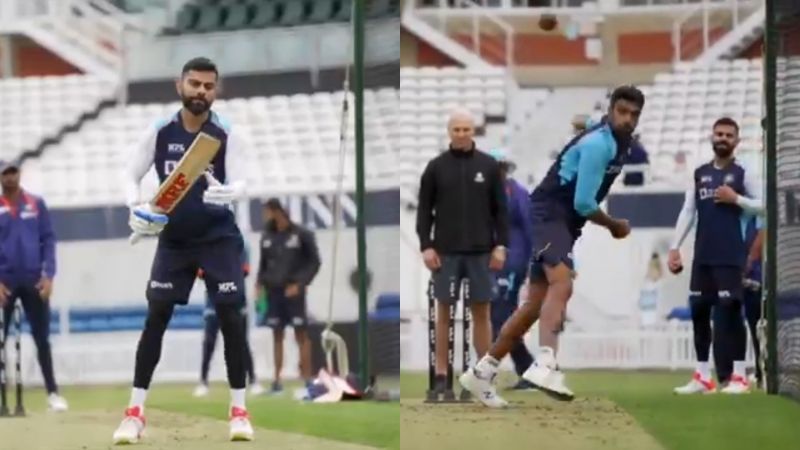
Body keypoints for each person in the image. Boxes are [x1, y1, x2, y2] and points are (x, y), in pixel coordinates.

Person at [461, 85, 645, 406]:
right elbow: (585, 203)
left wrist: (580, 124)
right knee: (563, 281)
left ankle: (481, 373)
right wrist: (615, 225)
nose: (628, 119)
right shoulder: (600, 145)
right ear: (611, 109)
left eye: (634, 114)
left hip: (563, 221)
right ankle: (545, 364)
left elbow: (586, 129)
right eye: (622, 112)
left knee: (534, 303)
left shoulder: (619, 141)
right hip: (549, 214)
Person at [113, 57, 254, 444]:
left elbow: (244, 179)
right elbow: (129, 172)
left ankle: (239, 412)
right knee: (156, 316)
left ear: (216, 91)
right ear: (180, 85)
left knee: (230, 317)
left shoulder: (226, 133)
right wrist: (135, 205)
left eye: (208, 86)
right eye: (194, 84)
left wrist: (234, 191)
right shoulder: (160, 131)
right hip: (174, 241)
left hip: (219, 239)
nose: (201, 92)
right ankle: (134, 413)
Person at [416, 109, 508, 399]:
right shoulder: (435, 168)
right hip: (445, 252)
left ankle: (482, 375)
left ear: (473, 132)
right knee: (444, 312)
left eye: (466, 129)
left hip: (481, 251)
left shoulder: (489, 166)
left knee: (482, 312)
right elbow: (423, 212)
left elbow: (500, 212)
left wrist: (500, 245)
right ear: (449, 132)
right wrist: (426, 245)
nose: (462, 134)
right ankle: (442, 376)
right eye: (457, 129)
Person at [669, 117, 763, 395]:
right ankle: (702, 376)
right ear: (712, 137)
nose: (722, 138)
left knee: (732, 311)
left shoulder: (744, 173)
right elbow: (688, 211)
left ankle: (738, 376)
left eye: (728, 135)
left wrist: (737, 199)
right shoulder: (700, 173)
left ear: (736, 141)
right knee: (699, 311)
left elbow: (765, 207)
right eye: (719, 134)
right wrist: (675, 246)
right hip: (703, 255)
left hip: (730, 254)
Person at [0, 160, 68, 412]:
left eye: (13, 172)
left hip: (34, 281)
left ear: (19, 174)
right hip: (4, 283)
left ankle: (53, 393)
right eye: (5, 174)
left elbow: (48, 239)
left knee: (42, 340)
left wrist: (49, 275)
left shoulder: (35, 204)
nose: (10, 177)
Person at [257, 198, 321, 394]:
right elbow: (263, 264)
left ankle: (308, 380)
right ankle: (277, 381)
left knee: (301, 335)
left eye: (266, 212)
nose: (264, 217)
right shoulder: (267, 236)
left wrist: (300, 284)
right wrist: (259, 284)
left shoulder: (301, 234)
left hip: (294, 293)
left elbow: (314, 262)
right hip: (274, 293)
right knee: (277, 335)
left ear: (276, 211)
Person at [486, 149, 536, 390]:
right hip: (491, 266)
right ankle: (529, 370)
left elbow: (530, 228)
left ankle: (485, 371)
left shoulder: (517, 193)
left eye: (501, 167)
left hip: (513, 263)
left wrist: (536, 262)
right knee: (499, 318)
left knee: (500, 317)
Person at [193, 237, 265, 398]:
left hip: (236, 301)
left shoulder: (240, 245)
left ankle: (253, 380)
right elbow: (200, 272)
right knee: (209, 343)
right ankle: (203, 381)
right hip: (214, 302)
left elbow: (244, 271)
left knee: (241, 342)